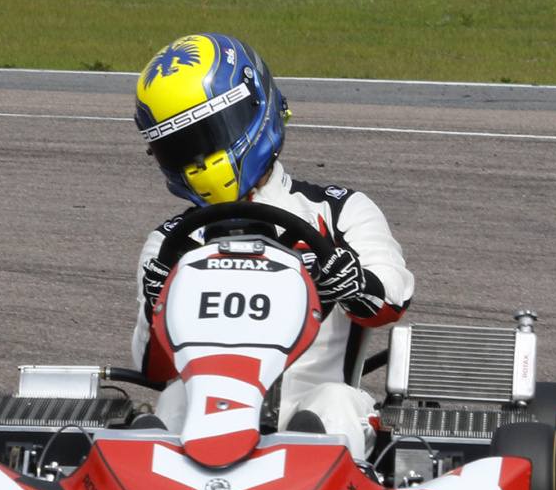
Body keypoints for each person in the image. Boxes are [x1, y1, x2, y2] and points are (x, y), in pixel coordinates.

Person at [129, 33, 413, 457]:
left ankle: (306, 476)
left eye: (207, 137)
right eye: (180, 149)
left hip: (315, 413)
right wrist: (157, 306)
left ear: (252, 110)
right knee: (172, 401)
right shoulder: (170, 244)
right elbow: (154, 369)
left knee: (333, 405)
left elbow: (392, 298)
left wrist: (350, 280)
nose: (198, 160)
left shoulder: (339, 213)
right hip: (207, 416)